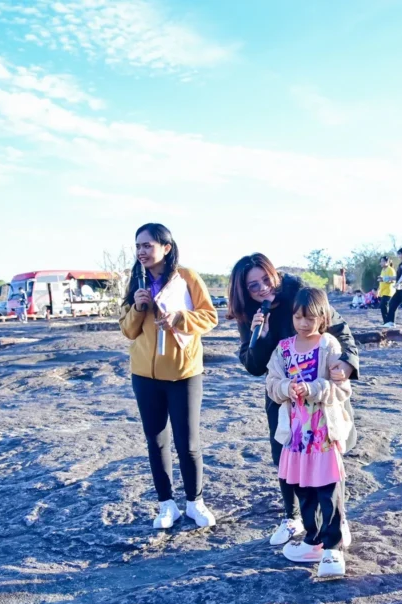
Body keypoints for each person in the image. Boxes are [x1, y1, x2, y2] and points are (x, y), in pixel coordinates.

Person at [228, 253, 359, 546]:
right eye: (253, 285)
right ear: (243, 291)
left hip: (322, 393)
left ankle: (338, 521)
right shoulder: (251, 313)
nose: (263, 288)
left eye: (266, 279)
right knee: (286, 456)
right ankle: (292, 517)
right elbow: (253, 366)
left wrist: (347, 364)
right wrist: (260, 336)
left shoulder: (300, 293)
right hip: (285, 397)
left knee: (328, 459)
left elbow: (341, 330)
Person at [120, 223, 219, 530]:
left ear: (166, 247)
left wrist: (180, 317)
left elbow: (210, 316)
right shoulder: (135, 281)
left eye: (147, 245)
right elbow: (128, 330)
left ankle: (195, 502)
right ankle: (167, 505)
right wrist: (138, 307)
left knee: (188, 443)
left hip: (183, 373)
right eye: (138, 246)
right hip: (144, 376)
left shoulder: (186, 277)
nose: (141, 252)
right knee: (156, 441)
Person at [267, 287, 355, 578]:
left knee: (328, 490)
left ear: (323, 317)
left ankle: (333, 549)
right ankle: (313, 540)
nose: (303, 324)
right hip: (295, 436)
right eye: (298, 317)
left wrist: (314, 388)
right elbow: (271, 384)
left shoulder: (329, 345)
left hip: (323, 434)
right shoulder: (283, 348)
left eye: (310, 318)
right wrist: (286, 388)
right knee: (302, 487)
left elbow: (342, 388)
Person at [377, 256, 395, 324]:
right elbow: (381, 281)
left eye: (382, 261)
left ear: (387, 262)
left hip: (389, 291)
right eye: (380, 261)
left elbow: (393, 280)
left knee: (384, 306)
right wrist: (378, 290)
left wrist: (384, 279)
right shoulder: (382, 270)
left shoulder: (391, 270)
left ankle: (388, 322)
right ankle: (386, 322)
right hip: (383, 291)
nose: (380, 263)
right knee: (383, 307)